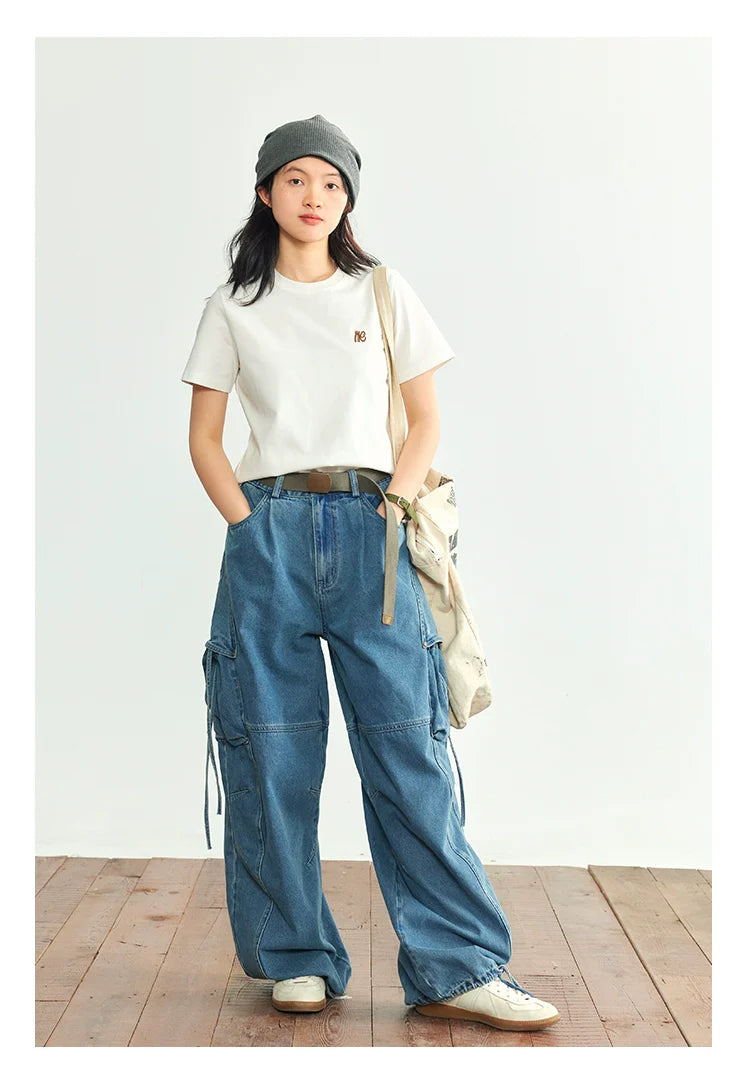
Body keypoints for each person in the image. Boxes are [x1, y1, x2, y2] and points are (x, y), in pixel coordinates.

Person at [181, 113, 560, 1033]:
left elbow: (425, 421)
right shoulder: (233, 306)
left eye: (332, 183)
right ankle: (294, 956)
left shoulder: (381, 291)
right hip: (268, 533)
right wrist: (247, 527)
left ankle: (458, 966)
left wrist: (393, 505)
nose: (315, 197)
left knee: (407, 751)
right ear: (266, 191)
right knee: (270, 747)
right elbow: (204, 439)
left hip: (372, 530)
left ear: (348, 200)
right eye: (297, 179)